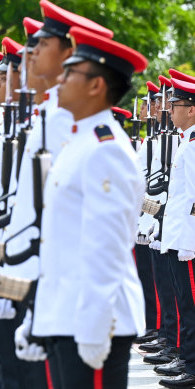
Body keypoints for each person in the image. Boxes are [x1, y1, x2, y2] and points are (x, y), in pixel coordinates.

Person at [32, 26, 148, 388]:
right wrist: (41, 317)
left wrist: (95, 329)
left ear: (96, 86)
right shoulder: (79, 141)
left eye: (71, 73)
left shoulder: (106, 149)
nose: (60, 80)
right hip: (67, 315)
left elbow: (107, 251)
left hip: (93, 323)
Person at [157, 77, 195, 388]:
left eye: (177, 105)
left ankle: (192, 365)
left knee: (190, 305)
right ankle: (186, 358)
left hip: (188, 239)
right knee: (184, 301)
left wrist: (190, 241)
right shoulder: (186, 141)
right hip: (177, 235)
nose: (170, 110)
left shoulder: (194, 145)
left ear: (192, 110)